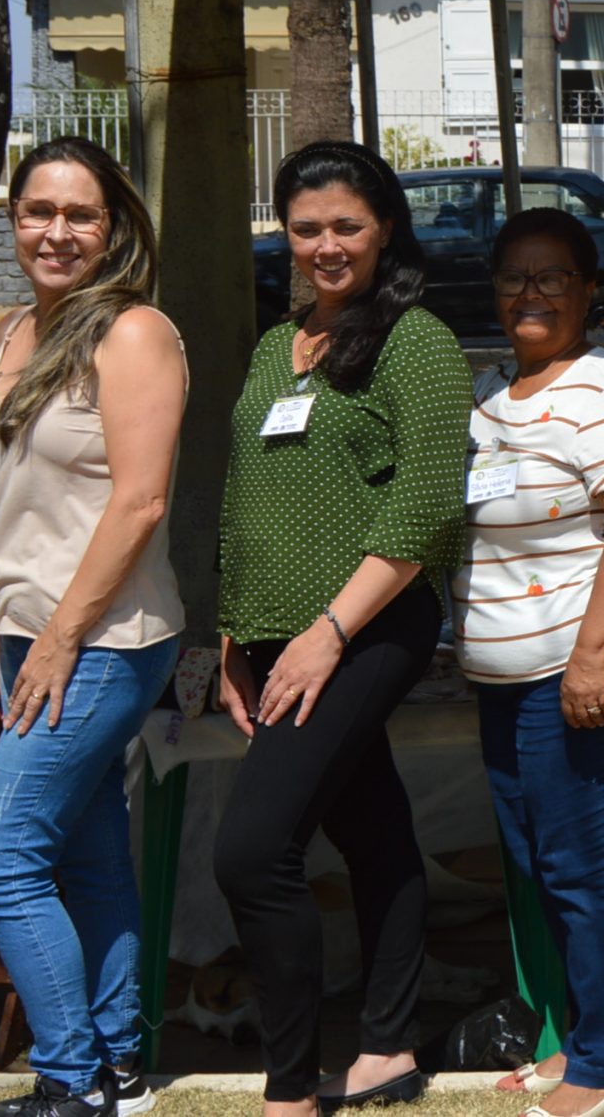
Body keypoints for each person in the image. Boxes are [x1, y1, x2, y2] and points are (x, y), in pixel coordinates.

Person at [213, 140, 473, 1117]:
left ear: (385, 229)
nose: (327, 245)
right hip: (274, 629)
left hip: (366, 625)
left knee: (252, 851)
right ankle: (386, 1049)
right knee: (373, 830)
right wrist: (234, 634)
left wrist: (327, 631)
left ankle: (287, 1089)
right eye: (306, 227)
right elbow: (245, 494)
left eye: (347, 227)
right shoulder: (275, 344)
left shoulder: (417, 340)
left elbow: (426, 505)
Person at [0, 139, 187, 1117]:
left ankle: (69, 1077)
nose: (56, 231)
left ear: (114, 226)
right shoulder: (16, 328)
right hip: (25, 627)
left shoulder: (134, 334)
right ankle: (119, 1066)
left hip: (102, 638)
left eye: (79, 214)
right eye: (37, 211)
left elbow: (139, 503)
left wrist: (56, 637)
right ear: (13, 220)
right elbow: (11, 499)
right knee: (88, 854)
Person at [457, 207, 604, 1117]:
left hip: (586, 658)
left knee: (584, 860)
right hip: (505, 673)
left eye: (554, 277)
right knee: (537, 856)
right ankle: (581, 1037)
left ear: (588, 293)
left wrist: (589, 661)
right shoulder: (489, 395)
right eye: (515, 276)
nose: (533, 293)